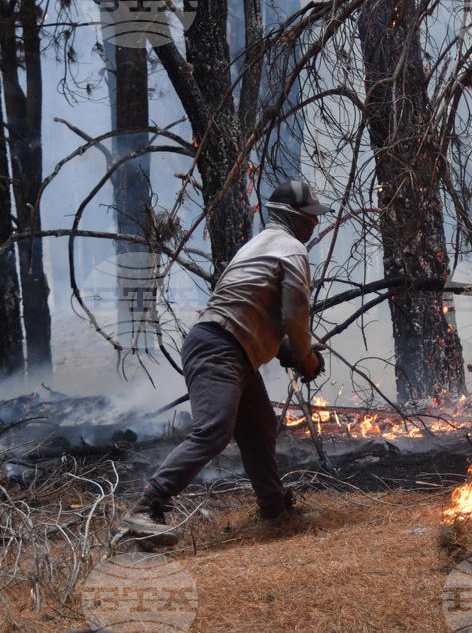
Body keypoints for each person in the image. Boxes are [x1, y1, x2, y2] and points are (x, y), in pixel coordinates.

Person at [121, 180, 331, 546]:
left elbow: (251, 311)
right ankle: (145, 508)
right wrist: (306, 356)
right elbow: (295, 312)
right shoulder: (292, 248)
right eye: (310, 217)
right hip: (221, 348)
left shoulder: (257, 245)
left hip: (226, 346)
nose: (314, 224)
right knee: (213, 430)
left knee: (260, 426)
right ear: (293, 216)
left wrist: (286, 350)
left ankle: (274, 510)